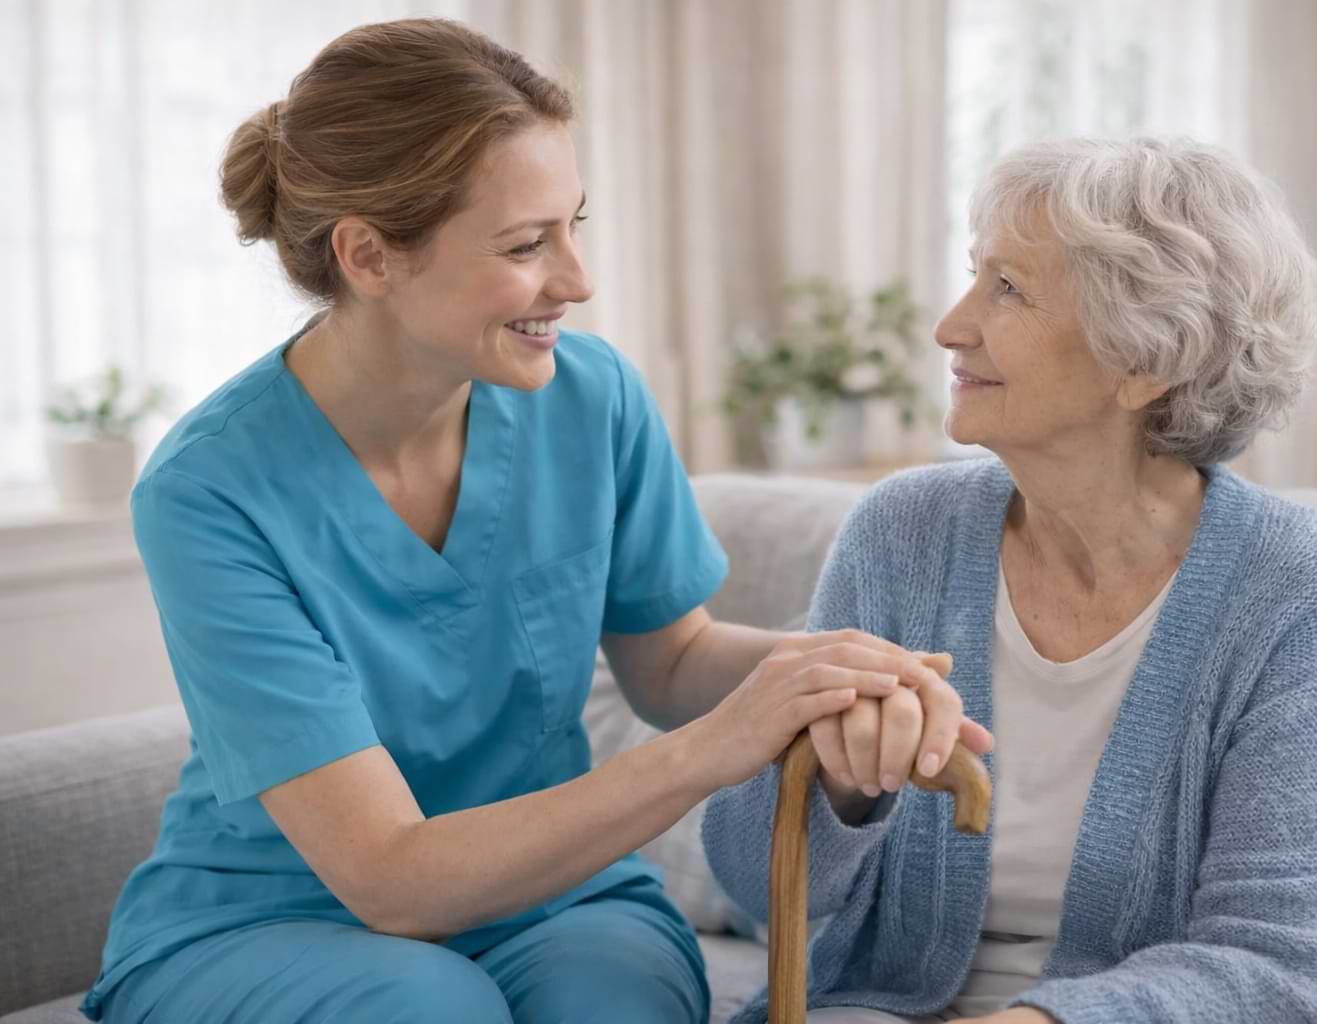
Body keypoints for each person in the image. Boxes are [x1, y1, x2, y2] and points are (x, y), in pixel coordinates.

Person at [81, 19, 990, 1024]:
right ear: (370, 255)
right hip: (279, 915)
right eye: (525, 244)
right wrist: (713, 749)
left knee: (613, 1003)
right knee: (427, 1007)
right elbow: (390, 877)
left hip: (556, 895)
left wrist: (827, 670)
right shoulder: (211, 490)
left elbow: (671, 661)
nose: (577, 278)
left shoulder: (590, 397)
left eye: (574, 224)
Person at [704, 137, 1317, 1024]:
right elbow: (752, 883)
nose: (950, 326)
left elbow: (1282, 964)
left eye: (1008, 290)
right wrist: (840, 784)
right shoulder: (900, 534)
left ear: (1144, 361)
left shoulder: (1311, 591)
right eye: (972, 277)